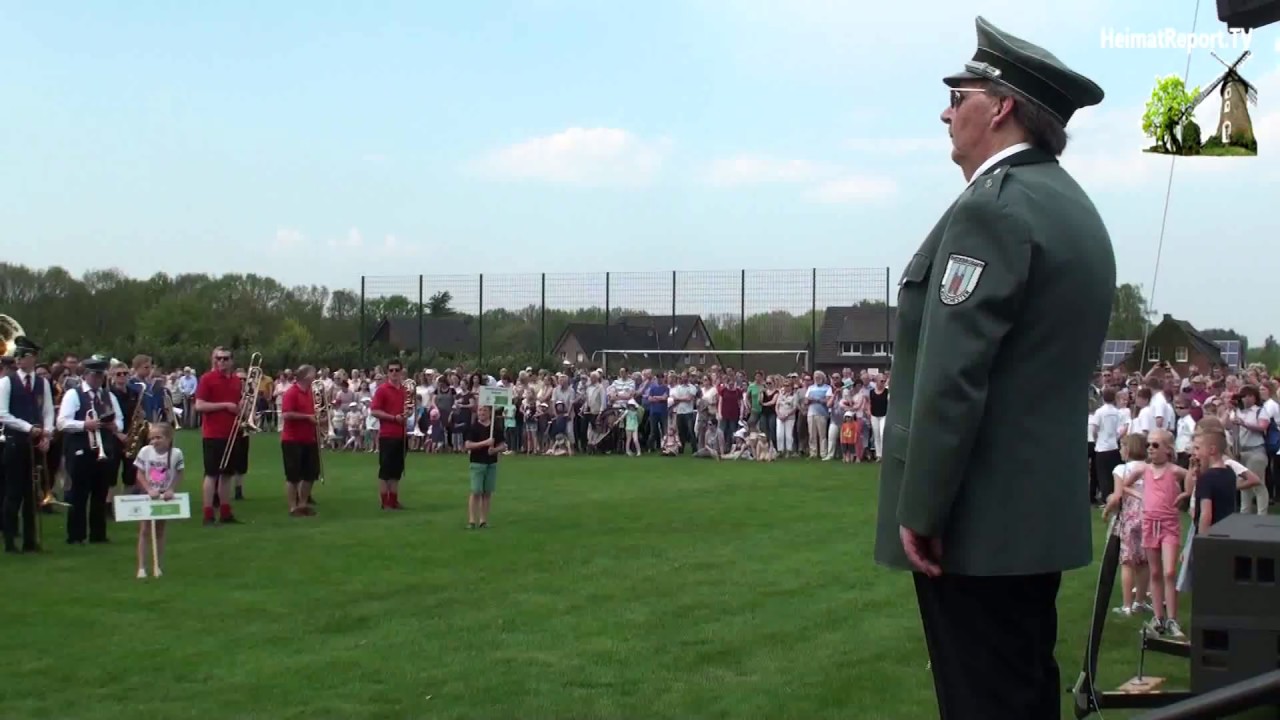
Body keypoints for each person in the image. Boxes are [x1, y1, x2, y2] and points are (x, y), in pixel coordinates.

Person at [872, 16, 1113, 719]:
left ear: (1001, 106)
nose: (947, 112)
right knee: (1022, 692)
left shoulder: (994, 209)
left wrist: (921, 510)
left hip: (976, 529)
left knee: (984, 702)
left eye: (960, 94)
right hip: (1032, 522)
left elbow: (953, 377)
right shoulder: (1073, 209)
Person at [1110, 429, 1190, 637]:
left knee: (1169, 572)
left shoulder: (1173, 470)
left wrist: (1185, 494)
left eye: (1155, 445)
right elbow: (1124, 487)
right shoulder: (1144, 470)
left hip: (1169, 524)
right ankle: (1158, 617)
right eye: (1149, 445)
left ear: (1168, 449)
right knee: (1154, 572)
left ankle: (1172, 618)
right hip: (1149, 524)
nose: (1150, 449)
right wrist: (1139, 495)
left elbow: (1192, 477)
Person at [58, 355, 124, 545]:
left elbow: (119, 420)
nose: (98, 379)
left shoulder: (108, 395)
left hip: (104, 449)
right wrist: (84, 424)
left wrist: (115, 426)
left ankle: (98, 534)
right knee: (78, 494)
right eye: (95, 375)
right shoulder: (74, 394)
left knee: (100, 492)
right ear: (86, 375)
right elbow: (62, 422)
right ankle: (76, 535)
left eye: (101, 376)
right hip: (80, 449)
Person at [0, 336, 55, 553]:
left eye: (27, 356)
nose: (22, 360)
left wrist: (47, 435)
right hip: (15, 442)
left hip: (36, 442)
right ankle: (10, 539)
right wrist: (27, 427)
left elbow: (48, 411)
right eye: (21, 357)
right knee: (13, 493)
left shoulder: (42, 383)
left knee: (32, 494)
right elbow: (3, 414)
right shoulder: (6, 382)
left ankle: (31, 540)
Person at [193, 347, 242, 525]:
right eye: (219, 358)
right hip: (213, 433)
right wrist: (225, 406)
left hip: (232, 432)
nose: (221, 362)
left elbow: (237, 404)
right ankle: (208, 514)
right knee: (212, 473)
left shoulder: (237, 381)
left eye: (226, 358)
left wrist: (241, 409)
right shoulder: (207, 379)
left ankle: (225, 511)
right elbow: (199, 405)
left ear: (232, 361)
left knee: (227, 474)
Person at [133, 421, 183, 578]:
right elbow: (139, 474)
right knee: (145, 530)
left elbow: (179, 473)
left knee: (160, 530)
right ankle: (141, 567)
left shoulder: (176, 454)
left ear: (168, 438)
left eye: (158, 438)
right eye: (152, 438)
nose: (154, 441)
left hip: (164, 496)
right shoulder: (145, 452)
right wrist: (148, 489)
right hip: (148, 495)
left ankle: (158, 565)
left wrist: (171, 489)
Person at [279, 364, 321, 516]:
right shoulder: (291, 393)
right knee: (293, 476)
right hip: (292, 439)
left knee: (310, 474)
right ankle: (293, 507)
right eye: (313, 373)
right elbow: (286, 414)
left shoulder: (310, 392)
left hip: (309, 438)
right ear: (307, 376)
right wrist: (307, 417)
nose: (315, 376)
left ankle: (303, 504)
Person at [368, 360, 408, 510]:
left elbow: (407, 409)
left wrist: (407, 414)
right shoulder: (382, 390)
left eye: (397, 370)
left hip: (401, 434)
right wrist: (393, 418)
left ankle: (394, 499)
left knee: (397, 470)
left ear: (401, 371)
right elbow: (374, 410)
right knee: (385, 470)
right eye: (391, 370)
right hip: (388, 434)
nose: (394, 373)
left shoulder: (404, 390)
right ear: (387, 373)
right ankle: (385, 501)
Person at [464, 404, 506, 529]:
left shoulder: (496, 428)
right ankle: (472, 520)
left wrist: (495, 450)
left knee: (487, 493)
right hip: (477, 462)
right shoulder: (474, 427)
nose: (481, 412)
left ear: (490, 412)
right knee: (476, 491)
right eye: (480, 410)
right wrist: (484, 443)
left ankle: (483, 520)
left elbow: (503, 445)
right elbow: (468, 445)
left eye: (484, 410)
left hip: (491, 463)